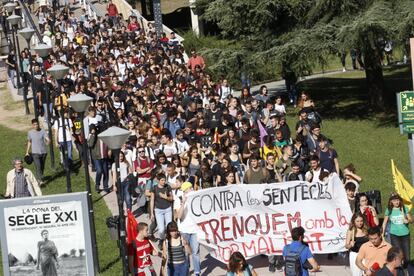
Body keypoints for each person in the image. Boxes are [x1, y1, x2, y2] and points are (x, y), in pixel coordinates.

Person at [381, 193, 412, 267]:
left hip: (405, 235)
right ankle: (400, 271)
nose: (396, 202)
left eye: (397, 200)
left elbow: (411, 219)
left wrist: (408, 220)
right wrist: (382, 234)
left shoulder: (404, 208)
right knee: (398, 254)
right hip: (394, 235)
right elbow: (384, 222)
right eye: (394, 200)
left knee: (407, 256)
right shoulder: (389, 210)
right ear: (391, 201)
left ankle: (407, 270)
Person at [177, 182, 201, 276]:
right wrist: (183, 202)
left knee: (196, 252)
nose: (192, 189)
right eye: (190, 188)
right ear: (185, 190)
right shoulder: (178, 199)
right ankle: (186, 271)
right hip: (184, 230)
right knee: (186, 254)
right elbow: (178, 216)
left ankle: (197, 272)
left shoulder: (196, 198)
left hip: (195, 230)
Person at [150, 173, 173, 248]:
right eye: (162, 180)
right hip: (158, 210)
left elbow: (171, 198)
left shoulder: (168, 187)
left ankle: (170, 240)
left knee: (169, 227)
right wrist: (152, 213)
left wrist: (165, 197)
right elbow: (152, 200)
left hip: (168, 209)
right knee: (161, 229)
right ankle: (161, 239)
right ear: (158, 180)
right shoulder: (154, 188)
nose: (164, 182)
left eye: (164, 180)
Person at [26, 118, 49, 184]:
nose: (36, 126)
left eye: (37, 124)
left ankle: (40, 177)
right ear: (32, 125)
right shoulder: (30, 132)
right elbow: (29, 142)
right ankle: (40, 181)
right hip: (35, 153)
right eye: (34, 124)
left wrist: (48, 141)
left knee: (42, 167)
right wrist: (27, 152)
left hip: (43, 152)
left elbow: (47, 138)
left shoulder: (43, 131)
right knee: (38, 166)